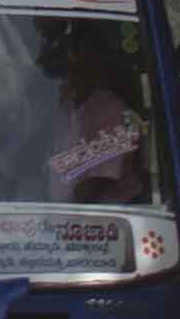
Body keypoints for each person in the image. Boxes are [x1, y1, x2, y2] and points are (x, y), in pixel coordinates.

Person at [40, 26, 147, 203]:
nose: (65, 77)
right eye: (65, 68)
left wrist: (62, 214)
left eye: (76, 66)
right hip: (55, 212)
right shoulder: (64, 108)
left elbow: (96, 184)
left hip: (100, 215)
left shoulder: (113, 111)